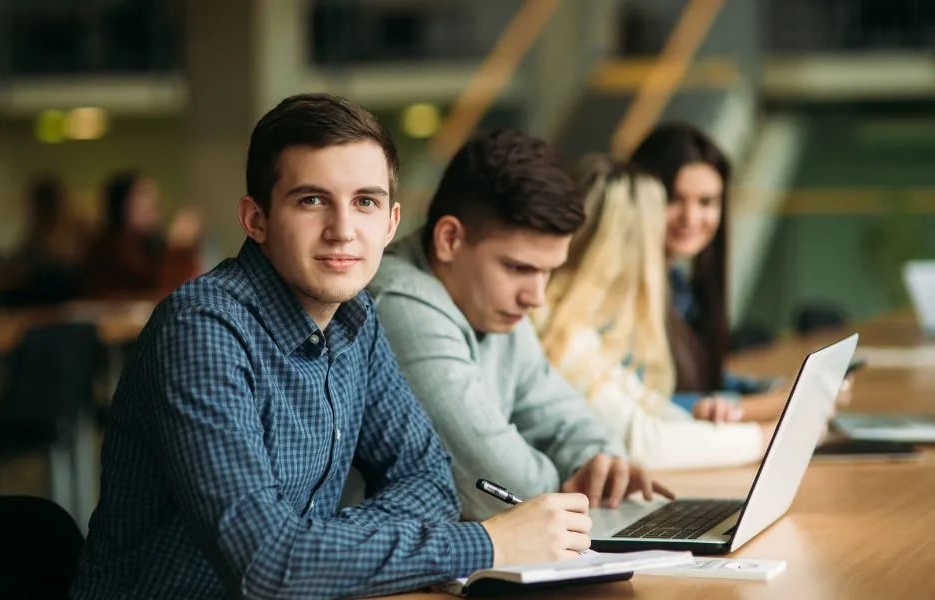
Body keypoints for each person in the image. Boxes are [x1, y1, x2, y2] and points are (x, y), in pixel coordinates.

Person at [71, 94, 596, 600]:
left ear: (390, 223)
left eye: (365, 202)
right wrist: (487, 543)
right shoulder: (203, 330)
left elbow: (430, 481)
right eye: (312, 200)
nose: (343, 230)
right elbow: (268, 567)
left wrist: (317, 548)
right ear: (257, 220)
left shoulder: (356, 317)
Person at [368, 129, 673, 522]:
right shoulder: (399, 303)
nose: (536, 297)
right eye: (518, 268)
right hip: (394, 579)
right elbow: (502, 489)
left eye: (548, 272)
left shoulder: (492, 305)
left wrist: (598, 461)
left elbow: (565, 416)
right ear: (449, 239)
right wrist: (575, 485)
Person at [534, 156, 772, 469]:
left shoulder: (580, 322)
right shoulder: (555, 325)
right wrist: (765, 437)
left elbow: (649, 410)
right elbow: (643, 443)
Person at [629, 123, 796, 424]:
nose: (691, 217)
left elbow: (701, 377)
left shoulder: (677, 283)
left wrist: (771, 389)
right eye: (673, 199)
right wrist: (768, 405)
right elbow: (634, 401)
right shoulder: (620, 289)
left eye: (706, 202)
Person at [82, 171, 202, 298]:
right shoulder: (105, 249)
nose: (152, 204)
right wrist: (178, 248)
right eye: (143, 195)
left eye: (155, 198)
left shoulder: (152, 246)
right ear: (121, 203)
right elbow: (164, 293)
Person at [0, 176, 88, 306]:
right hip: (39, 300)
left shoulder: (75, 231)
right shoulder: (35, 233)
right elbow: (22, 259)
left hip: (60, 300)